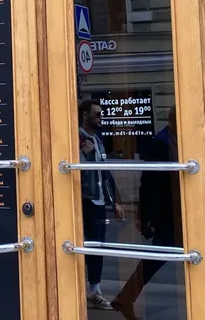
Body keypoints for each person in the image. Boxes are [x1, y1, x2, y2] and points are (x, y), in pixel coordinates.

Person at [112, 106, 182, 319]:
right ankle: (125, 298)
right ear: (175, 121)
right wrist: (146, 216)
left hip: (174, 212)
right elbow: (150, 182)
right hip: (168, 213)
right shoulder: (162, 142)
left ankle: (125, 298)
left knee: (158, 257)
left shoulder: (173, 139)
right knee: (159, 256)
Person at [79, 98, 123, 310]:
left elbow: (104, 173)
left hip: (97, 200)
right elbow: (74, 170)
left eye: (102, 114)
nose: (101, 118)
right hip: (85, 200)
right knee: (91, 245)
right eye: (97, 114)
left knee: (97, 246)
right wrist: (86, 155)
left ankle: (93, 288)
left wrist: (114, 201)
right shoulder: (78, 138)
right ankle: (91, 290)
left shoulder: (97, 140)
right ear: (85, 115)